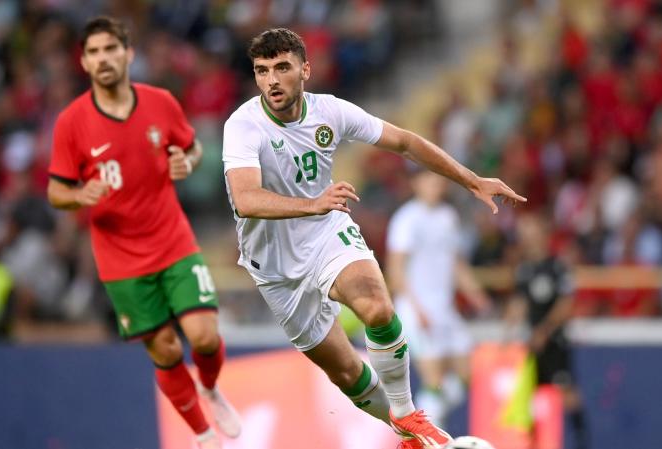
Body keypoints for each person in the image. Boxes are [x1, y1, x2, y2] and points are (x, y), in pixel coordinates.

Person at [222, 28, 526, 449]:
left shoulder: (330, 111)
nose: (271, 80)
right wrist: (313, 203)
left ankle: (407, 413)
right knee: (346, 373)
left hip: (326, 233)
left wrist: (470, 179)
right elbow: (245, 199)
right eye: (262, 71)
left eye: (282, 68)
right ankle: (407, 433)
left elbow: (404, 142)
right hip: (275, 268)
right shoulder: (243, 125)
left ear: (305, 70)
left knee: (377, 306)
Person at [47, 17, 240, 449]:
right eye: (93, 52)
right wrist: (79, 194)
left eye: (110, 49)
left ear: (128, 54)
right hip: (120, 260)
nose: (103, 59)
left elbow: (192, 147)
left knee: (205, 336)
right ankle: (203, 434)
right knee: (167, 351)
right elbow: (55, 190)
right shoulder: (72, 123)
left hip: (173, 240)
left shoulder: (160, 103)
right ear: (83, 61)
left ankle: (210, 388)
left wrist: (187, 163)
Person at [385, 170, 492, 428]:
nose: (435, 185)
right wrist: (416, 308)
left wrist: (478, 297)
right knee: (434, 379)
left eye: (439, 180)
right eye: (429, 179)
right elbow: (395, 269)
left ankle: (421, 423)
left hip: (444, 309)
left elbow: (455, 263)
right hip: (416, 308)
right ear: (416, 183)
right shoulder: (407, 219)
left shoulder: (447, 217)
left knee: (465, 374)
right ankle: (427, 436)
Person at [506, 214, 588, 449]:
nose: (528, 238)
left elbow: (566, 304)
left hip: (554, 341)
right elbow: (519, 303)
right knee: (527, 395)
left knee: (567, 393)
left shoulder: (557, 267)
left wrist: (545, 330)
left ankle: (582, 441)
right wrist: (506, 333)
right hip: (533, 343)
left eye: (531, 233)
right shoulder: (524, 269)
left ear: (543, 236)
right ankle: (532, 444)